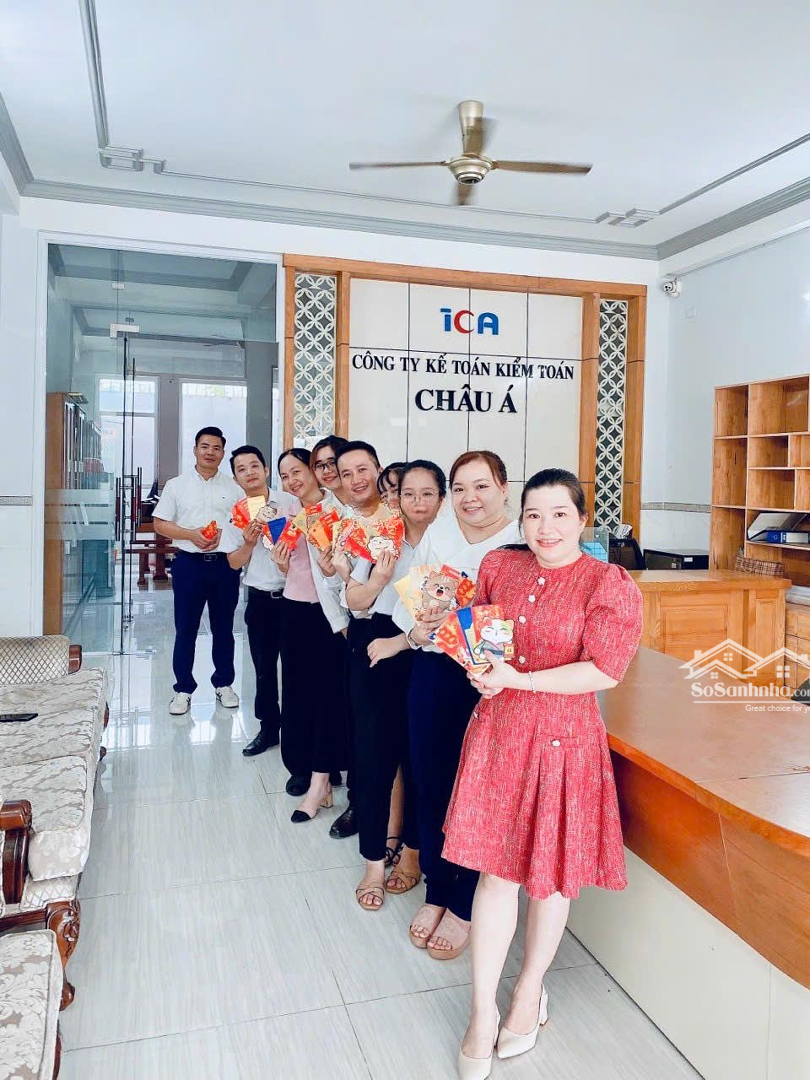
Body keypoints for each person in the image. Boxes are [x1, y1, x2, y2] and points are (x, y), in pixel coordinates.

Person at [446, 469, 643, 1079]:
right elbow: (482, 641)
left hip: (564, 742)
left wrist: (521, 681)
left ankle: (529, 991)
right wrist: (481, 670)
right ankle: (482, 1011)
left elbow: (605, 670)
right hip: (500, 733)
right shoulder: (499, 567)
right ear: (520, 518)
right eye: (534, 514)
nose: (545, 527)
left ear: (582, 520)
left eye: (560, 514)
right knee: (497, 874)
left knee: (550, 878)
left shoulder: (607, 582)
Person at [393, 451, 519, 960]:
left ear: (504, 488)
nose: (471, 498)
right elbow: (414, 604)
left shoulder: (521, 541)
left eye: (482, 486)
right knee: (430, 781)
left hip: (489, 683)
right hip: (433, 671)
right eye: (461, 488)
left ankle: (465, 904)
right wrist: (421, 623)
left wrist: (470, 622)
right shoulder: (440, 534)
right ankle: (437, 890)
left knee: (479, 792)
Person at [345, 460, 445, 910]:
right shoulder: (381, 537)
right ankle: (372, 863)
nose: (417, 502)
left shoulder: (449, 541)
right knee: (373, 759)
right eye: (408, 493)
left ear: (441, 497)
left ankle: (412, 854)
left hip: (432, 654)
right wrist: (380, 578)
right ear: (396, 497)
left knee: (420, 760)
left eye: (427, 493)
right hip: (378, 646)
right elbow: (354, 599)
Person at [272, 448, 345, 822]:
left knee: (328, 695)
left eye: (297, 471)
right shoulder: (284, 515)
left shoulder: (338, 510)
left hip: (330, 614)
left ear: (315, 471)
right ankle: (300, 765)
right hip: (294, 608)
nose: (292, 481)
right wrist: (281, 563)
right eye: (285, 476)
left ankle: (324, 771)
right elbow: (292, 569)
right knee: (296, 691)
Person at [153, 426, 243, 715]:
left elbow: (243, 524)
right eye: (205, 446)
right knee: (186, 628)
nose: (210, 452)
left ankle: (224, 684)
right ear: (195, 450)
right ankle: (183, 689)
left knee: (224, 628)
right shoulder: (176, 485)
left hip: (224, 566)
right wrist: (191, 534)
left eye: (216, 448)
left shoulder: (234, 488)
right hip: (188, 565)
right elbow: (160, 524)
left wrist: (228, 537)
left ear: (223, 453)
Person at [219, 445, 298, 756]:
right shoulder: (237, 514)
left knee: (296, 669)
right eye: (241, 469)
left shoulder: (290, 502)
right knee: (264, 668)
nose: (249, 473)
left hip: (295, 597)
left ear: (266, 470)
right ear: (236, 478)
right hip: (261, 599)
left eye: (254, 466)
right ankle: (268, 728)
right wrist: (249, 543)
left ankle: (296, 732)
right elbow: (233, 563)